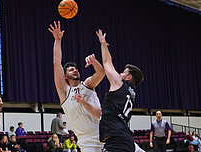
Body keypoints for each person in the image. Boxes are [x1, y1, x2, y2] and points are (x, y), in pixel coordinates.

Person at [48, 21, 105, 152]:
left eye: (76, 69)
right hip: (87, 142)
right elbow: (56, 62)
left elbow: (101, 73)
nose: (75, 70)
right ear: (65, 76)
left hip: (105, 134)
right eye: (71, 70)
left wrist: (94, 61)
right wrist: (57, 40)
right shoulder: (64, 92)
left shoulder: (88, 84)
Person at [95, 29, 144, 152]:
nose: (119, 74)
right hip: (123, 139)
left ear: (129, 77)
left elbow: (107, 62)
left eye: (123, 72)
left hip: (118, 141)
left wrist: (103, 44)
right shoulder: (131, 92)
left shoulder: (119, 84)